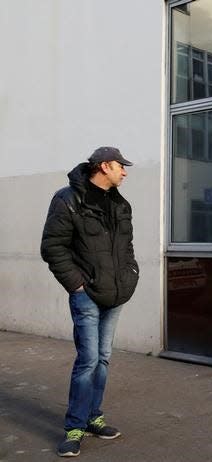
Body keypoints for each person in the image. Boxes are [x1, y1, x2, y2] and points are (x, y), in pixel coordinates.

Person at [40, 146, 139, 457]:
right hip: (87, 296)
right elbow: (52, 247)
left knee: (104, 358)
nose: (124, 172)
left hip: (117, 294)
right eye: (120, 166)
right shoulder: (68, 199)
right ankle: (74, 428)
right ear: (104, 166)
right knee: (88, 361)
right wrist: (77, 285)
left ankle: (94, 417)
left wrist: (131, 274)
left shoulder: (121, 205)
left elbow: (127, 247)